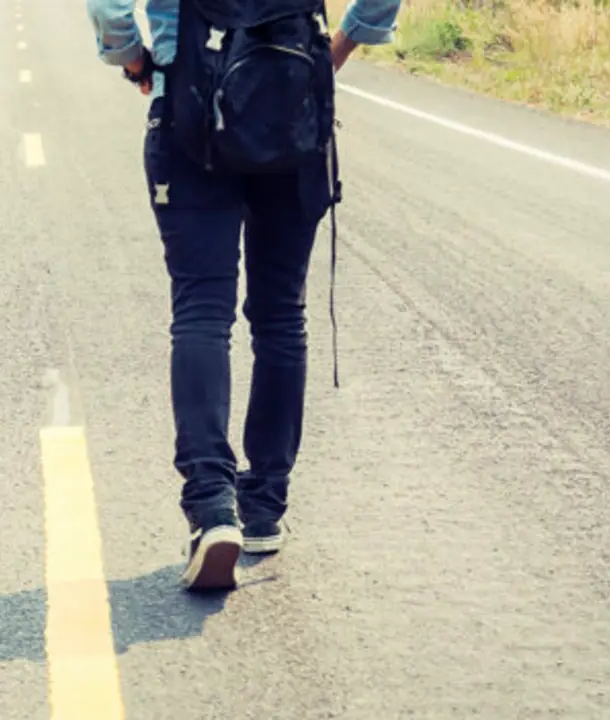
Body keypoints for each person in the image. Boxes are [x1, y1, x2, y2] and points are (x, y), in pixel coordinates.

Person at [85, 0, 403, 591]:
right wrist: (336, 51)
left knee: (202, 313)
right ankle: (263, 507)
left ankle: (212, 507)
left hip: (190, 113)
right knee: (282, 316)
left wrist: (135, 63)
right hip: (295, 105)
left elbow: (108, 8)